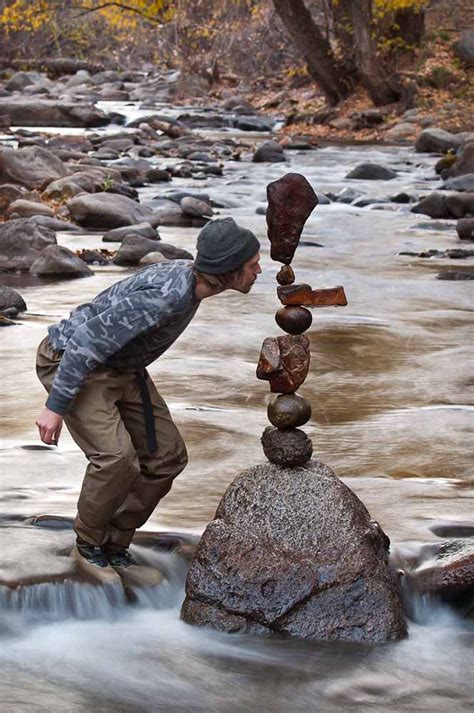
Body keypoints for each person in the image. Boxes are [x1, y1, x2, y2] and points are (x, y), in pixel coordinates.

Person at [35, 218, 261, 586]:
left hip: (124, 367)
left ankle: (115, 543)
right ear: (229, 271)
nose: (258, 271)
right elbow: (85, 341)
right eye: (252, 266)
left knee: (167, 458)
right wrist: (55, 407)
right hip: (71, 361)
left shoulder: (195, 284)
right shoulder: (165, 296)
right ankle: (88, 547)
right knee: (116, 460)